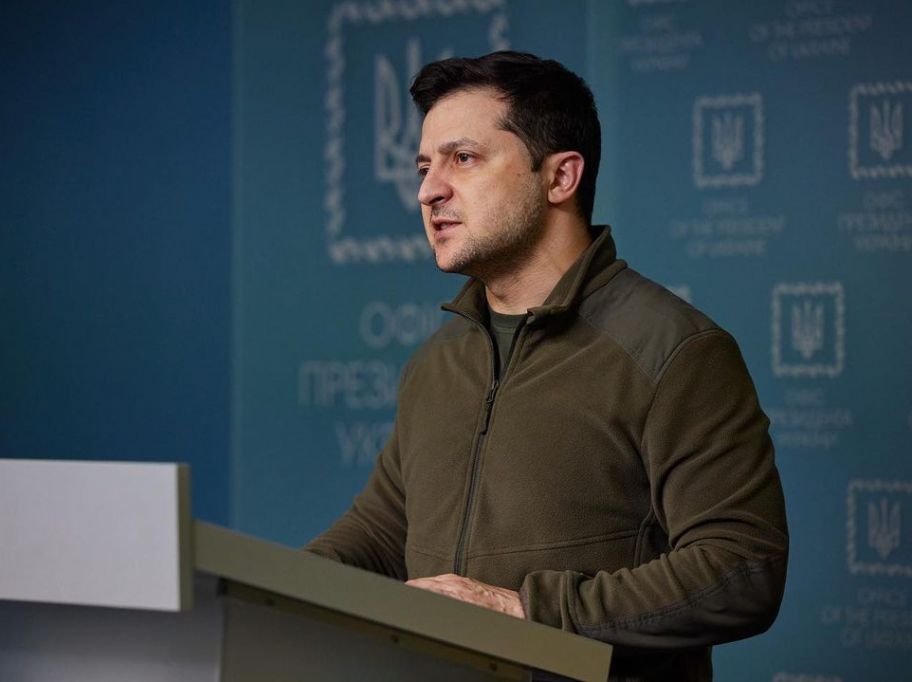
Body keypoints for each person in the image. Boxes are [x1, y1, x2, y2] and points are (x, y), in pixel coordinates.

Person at [306, 51, 788, 681]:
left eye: (463, 158)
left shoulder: (675, 351)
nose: (428, 190)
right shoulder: (436, 363)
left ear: (560, 178)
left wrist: (525, 612)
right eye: (424, 167)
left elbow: (741, 567)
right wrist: (263, 588)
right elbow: (380, 533)